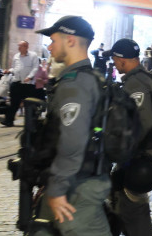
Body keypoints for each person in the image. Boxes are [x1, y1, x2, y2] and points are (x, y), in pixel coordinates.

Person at [32, 16, 111, 235]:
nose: (49, 46)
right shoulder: (92, 77)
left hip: (77, 188)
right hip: (80, 180)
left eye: (54, 39)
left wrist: (57, 189)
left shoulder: (75, 84)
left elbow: (73, 141)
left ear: (71, 41)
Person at [107, 38, 152, 236]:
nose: (113, 64)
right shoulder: (143, 77)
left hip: (138, 157)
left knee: (134, 208)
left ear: (121, 60)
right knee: (125, 205)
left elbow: (143, 121)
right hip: (139, 154)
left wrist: (121, 149)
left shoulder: (136, 82)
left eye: (114, 60)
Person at [2, 40, 40, 127]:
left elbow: (35, 68)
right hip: (16, 82)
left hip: (28, 84)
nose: (19, 47)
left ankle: (32, 122)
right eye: (18, 45)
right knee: (13, 103)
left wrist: (30, 77)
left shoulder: (33, 56)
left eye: (21, 46)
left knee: (30, 104)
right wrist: (9, 71)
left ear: (26, 47)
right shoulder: (16, 56)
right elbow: (14, 68)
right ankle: (9, 121)